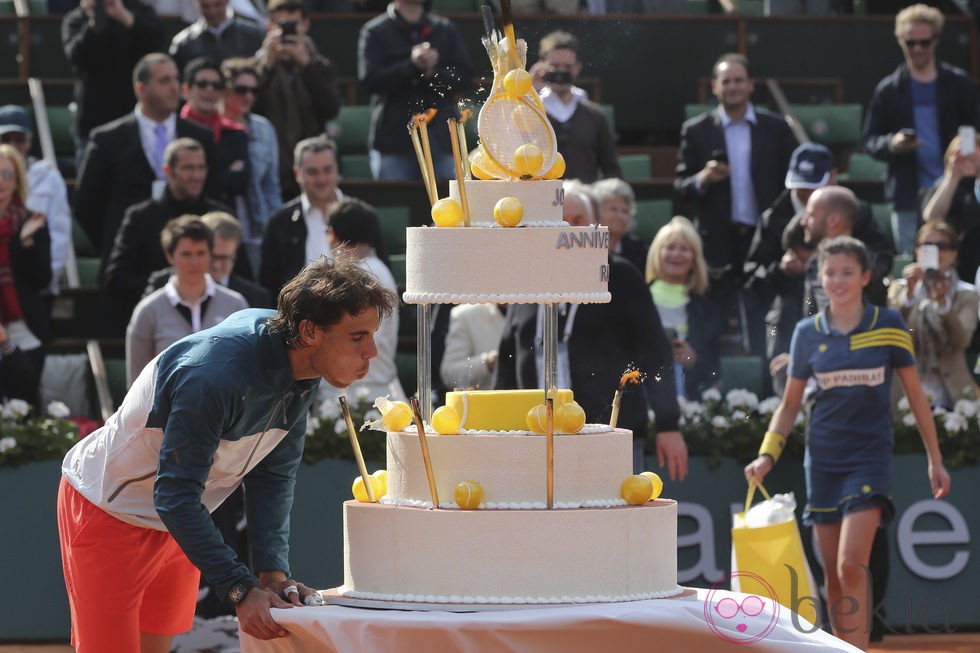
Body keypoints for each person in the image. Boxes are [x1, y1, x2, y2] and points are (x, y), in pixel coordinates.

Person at [58, 254, 398, 651]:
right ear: (308, 331)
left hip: (182, 523)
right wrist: (240, 588)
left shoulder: (302, 366)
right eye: (358, 337)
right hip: (109, 513)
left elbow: (272, 476)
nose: (372, 352)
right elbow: (174, 495)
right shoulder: (212, 376)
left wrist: (272, 574)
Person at [744, 235, 951, 651]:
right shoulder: (806, 334)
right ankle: (844, 647)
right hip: (821, 462)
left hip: (869, 461)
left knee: (850, 563)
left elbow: (914, 397)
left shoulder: (889, 326)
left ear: (866, 277)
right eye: (830, 273)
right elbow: (789, 406)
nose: (837, 281)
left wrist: (936, 460)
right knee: (831, 577)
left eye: (847, 273)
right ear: (820, 278)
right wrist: (767, 454)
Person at [494, 255, 687, 480]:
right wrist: (498, 430)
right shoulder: (527, 278)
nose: (569, 233)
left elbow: (655, 351)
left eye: (579, 220)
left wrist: (668, 424)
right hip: (535, 437)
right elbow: (507, 362)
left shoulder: (620, 275)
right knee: (540, 514)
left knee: (614, 512)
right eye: (562, 222)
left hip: (611, 437)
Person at [675, 53, 796, 357]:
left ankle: (766, 397)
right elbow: (680, 189)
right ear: (715, 87)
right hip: (717, 245)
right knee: (709, 327)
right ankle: (706, 399)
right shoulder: (696, 130)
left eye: (739, 80)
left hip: (763, 243)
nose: (733, 87)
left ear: (751, 84)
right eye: (726, 81)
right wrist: (703, 178)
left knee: (764, 325)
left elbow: (789, 187)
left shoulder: (776, 128)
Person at [73, 52, 217, 267]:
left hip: (191, 258)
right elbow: (86, 203)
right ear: (141, 88)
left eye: (176, 78)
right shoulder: (108, 139)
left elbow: (213, 191)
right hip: (128, 261)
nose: (174, 86)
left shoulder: (200, 136)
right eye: (164, 80)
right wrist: (112, 241)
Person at [862, 3, 979, 255]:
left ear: (935, 41)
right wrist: (893, 143)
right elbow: (870, 140)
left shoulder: (959, 85)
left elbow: (975, 129)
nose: (916, 49)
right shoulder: (888, 89)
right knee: (916, 265)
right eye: (910, 42)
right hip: (908, 195)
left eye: (923, 42)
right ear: (900, 41)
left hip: (957, 194)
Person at [103, 138, 229, 336]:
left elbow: (237, 273)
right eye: (188, 168)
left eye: (201, 168)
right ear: (168, 170)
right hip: (158, 328)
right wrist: (173, 286)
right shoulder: (141, 218)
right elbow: (117, 278)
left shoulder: (221, 216)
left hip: (217, 325)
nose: (196, 176)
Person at [358, 0, 473, 181]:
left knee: (451, 205)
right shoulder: (375, 31)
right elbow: (370, 80)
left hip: (441, 137)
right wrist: (412, 65)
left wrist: (431, 73)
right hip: (395, 139)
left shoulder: (445, 28)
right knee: (396, 204)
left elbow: (464, 77)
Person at [261, 136, 388, 299]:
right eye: (312, 172)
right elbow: (269, 283)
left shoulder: (366, 217)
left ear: (337, 170)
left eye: (327, 170)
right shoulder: (279, 223)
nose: (321, 179)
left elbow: (380, 271)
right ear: (297, 173)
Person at [126, 215, 247, 385]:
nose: (195, 262)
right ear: (170, 256)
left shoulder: (236, 305)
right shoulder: (148, 311)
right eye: (186, 254)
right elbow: (136, 382)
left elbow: (245, 368)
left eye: (201, 253)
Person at [319, 198, 404, 404]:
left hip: (361, 397)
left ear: (332, 235)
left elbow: (351, 342)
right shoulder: (377, 270)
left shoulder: (360, 275)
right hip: (367, 393)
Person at [253, 0, 341, 199]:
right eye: (281, 24)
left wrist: (307, 67)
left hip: (311, 165)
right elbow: (251, 109)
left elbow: (330, 109)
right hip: (272, 164)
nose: (288, 31)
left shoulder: (320, 66)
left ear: (305, 24)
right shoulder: (257, 67)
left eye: (294, 24)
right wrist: (266, 66)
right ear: (269, 26)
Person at [61, 0, 166, 163]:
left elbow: (157, 42)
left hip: (136, 122)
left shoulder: (138, 10)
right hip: (92, 121)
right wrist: (94, 25)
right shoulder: (76, 19)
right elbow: (77, 56)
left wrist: (125, 17)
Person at [887, 221, 979, 408]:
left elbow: (961, 340)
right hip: (905, 391)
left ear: (954, 254)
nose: (935, 251)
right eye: (927, 246)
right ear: (917, 252)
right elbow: (893, 335)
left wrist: (943, 304)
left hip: (953, 395)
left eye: (942, 246)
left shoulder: (967, 293)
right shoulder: (900, 288)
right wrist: (909, 295)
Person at [645, 216, 722, 399]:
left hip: (690, 400)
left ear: (694, 258)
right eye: (670, 247)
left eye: (684, 249)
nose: (676, 255)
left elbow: (714, 370)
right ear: (657, 253)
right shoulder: (639, 299)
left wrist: (691, 360)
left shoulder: (705, 309)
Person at [529, 30, 621, 184]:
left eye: (567, 66)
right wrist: (529, 90)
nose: (561, 72)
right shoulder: (529, 112)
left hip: (584, 201)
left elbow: (611, 168)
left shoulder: (595, 115)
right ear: (542, 65)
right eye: (555, 66)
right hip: (542, 199)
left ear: (578, 67)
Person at [0, 106, 71, 299]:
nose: (13, 145)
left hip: (33, 289)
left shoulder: (49, 177)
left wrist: (46, 282)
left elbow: (59, 233)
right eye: (5, 139)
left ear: (29, 141)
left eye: (19, 139)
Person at [221, 57, 282, 273]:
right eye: (241, 89)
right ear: (225, 89)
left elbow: (271, 185)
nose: (248, 96)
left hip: (257, 226)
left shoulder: (263, 128)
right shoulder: (211, 125)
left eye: (253, 91)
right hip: (221, 223)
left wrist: (275, 227)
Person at [0, 145, 50, 406]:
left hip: (25, 325)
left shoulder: (33, 220)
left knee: (24, 404)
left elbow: (43, 277)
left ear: (18, 179)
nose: (1, 182)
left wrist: (24, 242)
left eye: (8, 175)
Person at [180, 58, 250, 214]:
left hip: (223, 215)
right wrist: (226, 174)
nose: (209, 90)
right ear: (186, 90)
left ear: (222, 92)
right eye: (202, 84)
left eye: (216, 85)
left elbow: (241, 181)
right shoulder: (173, 130)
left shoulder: (235, 132)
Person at [922, 130, 980, 282]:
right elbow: (932, 218)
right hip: (950, 265)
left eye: (973, 155)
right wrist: (953, 176)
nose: (967, 158)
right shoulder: (942, 186)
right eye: (960, 155)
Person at [168, 0, 265, 73]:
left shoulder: (254, 35)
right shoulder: (183, 43)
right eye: (205, 6)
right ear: (196, 3)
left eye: (218, 4)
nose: (212, 12)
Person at [440, 303, 506, 392]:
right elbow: (449, 375)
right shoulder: (466, 314)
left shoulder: (530, 309)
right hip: (486, 403)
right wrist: (486, 362)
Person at [590, 177, 647, 272]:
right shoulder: (585, 245)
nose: (620, 216)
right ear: (596, 211)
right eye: (613, 209)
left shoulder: (637, 249)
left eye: (625, 211)